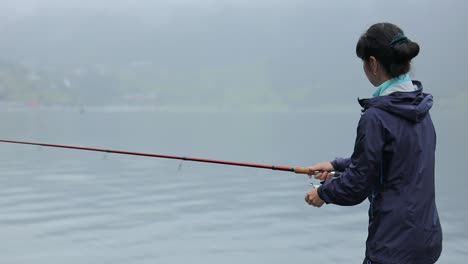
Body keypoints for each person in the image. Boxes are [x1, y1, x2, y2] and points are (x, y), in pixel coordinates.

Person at [304, 22, 442, 264]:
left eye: (363, 63)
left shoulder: (376, 117)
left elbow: (358, 185)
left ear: (374, 63)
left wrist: (323, 193)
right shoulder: (420, 109)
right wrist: (336, 165)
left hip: (392, 247)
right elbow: (391, 161)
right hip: (426, 242)